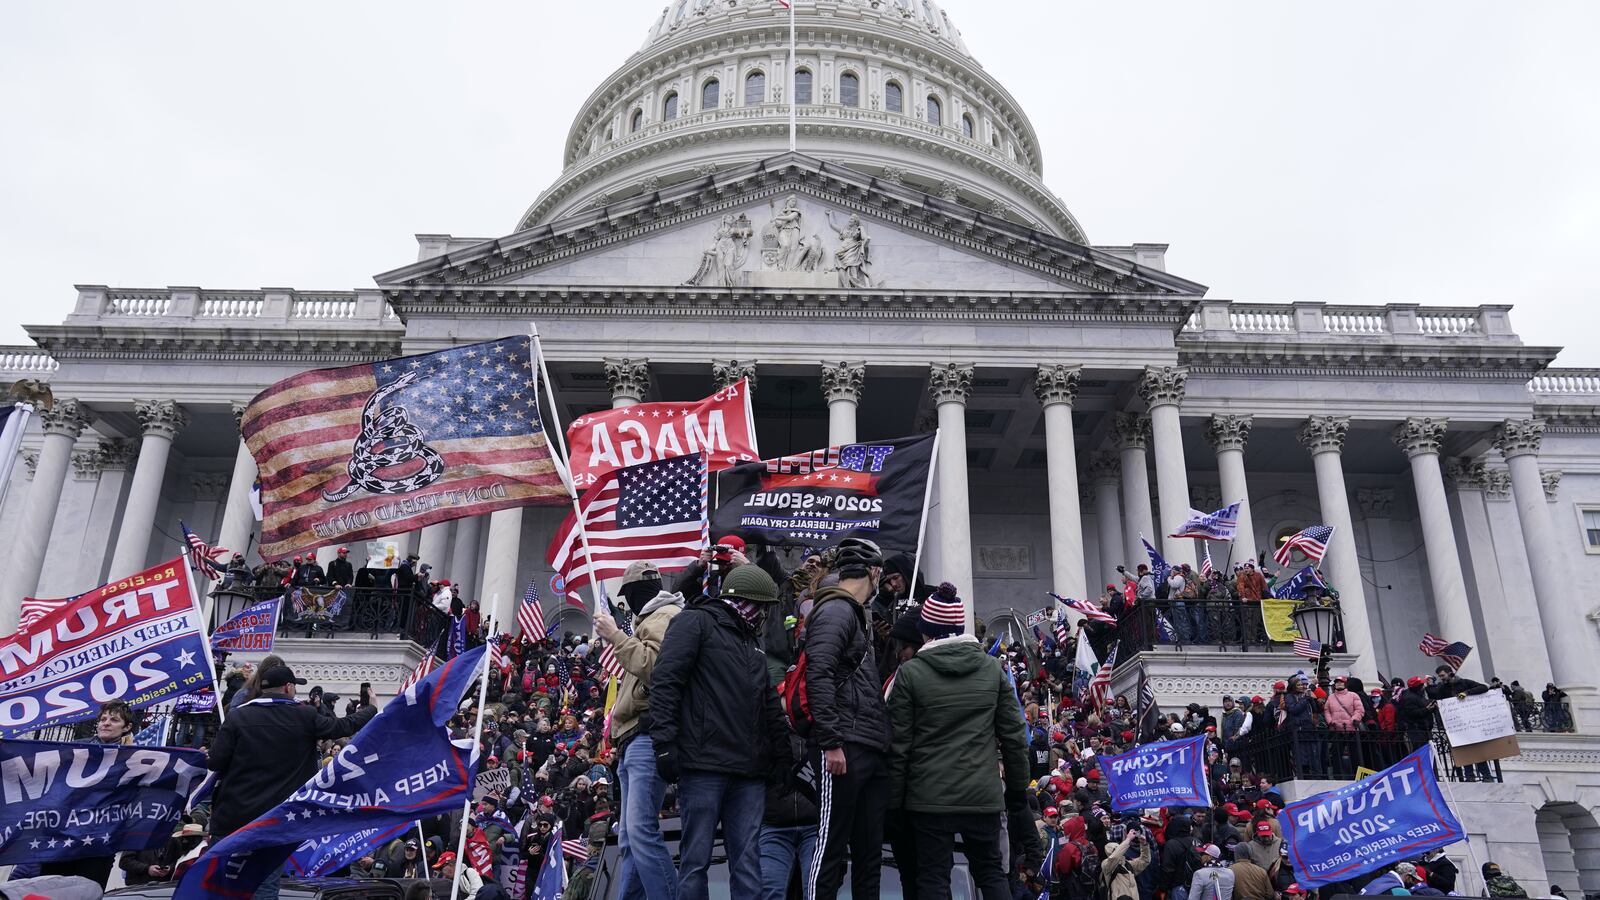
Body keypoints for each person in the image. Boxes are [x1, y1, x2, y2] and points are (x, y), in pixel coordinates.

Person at [649, 564, 793, 900]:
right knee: (695, 862)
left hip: (748, 772)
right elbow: (666, 682)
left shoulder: (752, 644)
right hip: (703, 767)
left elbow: (768, 703)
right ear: (750, 603)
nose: (766, 615)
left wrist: (783, 756)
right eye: (765, 607)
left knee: (747, 864)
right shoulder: (695, 622)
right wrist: (665, 744)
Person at [886, 583, 1030, 900]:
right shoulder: (993, 670)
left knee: (934, 878)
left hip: (928, 797)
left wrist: (893, 802)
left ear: (926, 631)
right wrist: (1018, 789)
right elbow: (1014, 736)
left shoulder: (910, 674)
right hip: (983, 795)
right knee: (992, 873)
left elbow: (899, 747)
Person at [207, 663, 376, 900]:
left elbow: (215, 761)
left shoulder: (238, 715)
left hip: (232, 818)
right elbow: (342, 726)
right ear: (288, 688)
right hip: (273, 821)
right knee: (264, 885)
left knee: (225, 887)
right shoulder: (304, 715)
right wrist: (370, 709)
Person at [804, 538, 894, 900]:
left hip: (869, 744)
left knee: (869, 856)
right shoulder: (836, 612)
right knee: (830, 851)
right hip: (842, 747)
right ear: (873, 571)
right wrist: (831, 742)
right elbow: (818, 675)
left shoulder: (858, 614)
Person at [596, 559, 686, 900]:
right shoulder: (650, 619)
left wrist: (615, 636)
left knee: (641, 832)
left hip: (648, 737)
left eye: (629, 595)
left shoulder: (664, 617)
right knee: (630, 838)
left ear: (636, 592)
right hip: (632, 737)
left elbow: (656, 669)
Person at [36, 701, 136, 887]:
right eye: (103, 719)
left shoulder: (136, 757)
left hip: (99, 843)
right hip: (62, 838)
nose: (106, 723)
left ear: (127, 727)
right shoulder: (75, 748)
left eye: (114, 720)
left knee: (88, 893)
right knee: (49, 893)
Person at [1101, 829, 1153, 900]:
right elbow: (1114, 857)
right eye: (1116, 850)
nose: (1119, 852)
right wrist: (1128, 839)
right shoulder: (1106, 866)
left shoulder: (1126, 864)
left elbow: (1144, 860)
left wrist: (1144, 845)